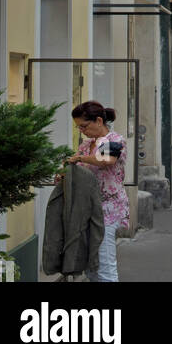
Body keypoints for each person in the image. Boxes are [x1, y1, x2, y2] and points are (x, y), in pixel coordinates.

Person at [67, 101, 129, 283]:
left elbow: (106, 160)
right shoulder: (86, 145)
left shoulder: (115, 140)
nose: (82, 130)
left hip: (108, 209)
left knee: (105, 264)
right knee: (91, 265)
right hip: (87, 208)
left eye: (84, 126)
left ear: (99, 121)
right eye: (78, 127)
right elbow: (80, 169)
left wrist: (79, 158)